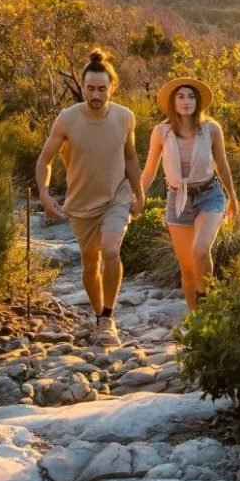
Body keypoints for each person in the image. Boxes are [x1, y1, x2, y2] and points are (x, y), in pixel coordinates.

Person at [35, 49, 144, 346]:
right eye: (90, 88)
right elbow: (45, 160)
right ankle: (99, 316)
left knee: (110, 250)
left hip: (116, 197)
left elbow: (131, 159)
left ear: (113, 87)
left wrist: (139, 194)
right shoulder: (67, 119)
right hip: (82, 203)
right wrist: (44, 194)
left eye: (102, 89)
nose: (96, 95)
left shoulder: (125, 117)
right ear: (82, 87)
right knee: (89, 264)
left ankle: (108, 317)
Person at [141, 75, 239, 311]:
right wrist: (137, 198)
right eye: (181, 97)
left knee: (200, 249)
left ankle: (206, 301)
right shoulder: (161, 132)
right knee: (187, 269)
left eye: (191, 96)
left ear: (198, 102)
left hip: (209, 195)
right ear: (173, 102)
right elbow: (149, 170)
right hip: (177, 199)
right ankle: (198, 321)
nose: (186, 101)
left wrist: (232, 196)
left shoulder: (211, 129)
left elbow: (222, 164)